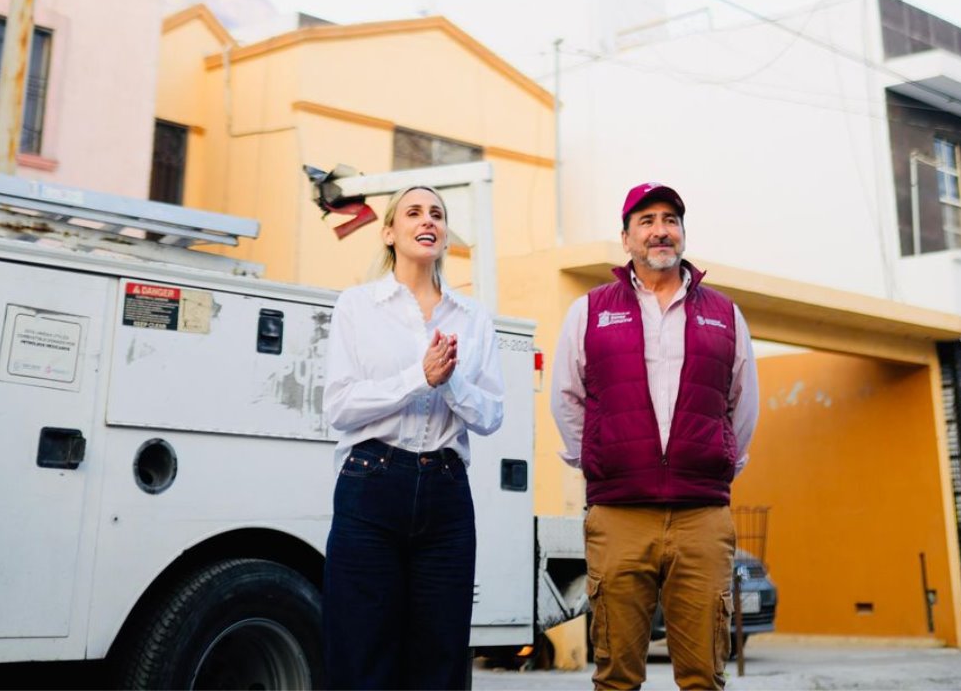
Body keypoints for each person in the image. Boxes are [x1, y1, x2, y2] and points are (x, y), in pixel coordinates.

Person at [551, 182, 759, 690]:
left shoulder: (725, 314)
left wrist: (718, 462)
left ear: (683, 233)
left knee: (703, 676)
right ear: (626, 239)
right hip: (619, 514)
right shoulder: (590, 311)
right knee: (617, 675)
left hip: (702, 517)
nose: (660, 231)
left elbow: (742, 404)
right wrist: (600, 461)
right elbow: (566, 397)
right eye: (646, 221)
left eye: (670, 220)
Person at [321, 185, 504, 690]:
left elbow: (490, 415)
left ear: (444, 236)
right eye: (415, 212)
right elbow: (339, 406)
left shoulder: (473, 319)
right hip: (370, 485)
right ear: (389, 233)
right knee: (361, 652)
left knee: (440, 659)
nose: (429, 221)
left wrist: (451, 381)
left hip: (446, 492)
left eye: (438, 215)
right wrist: (418, 378)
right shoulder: (358, 306)